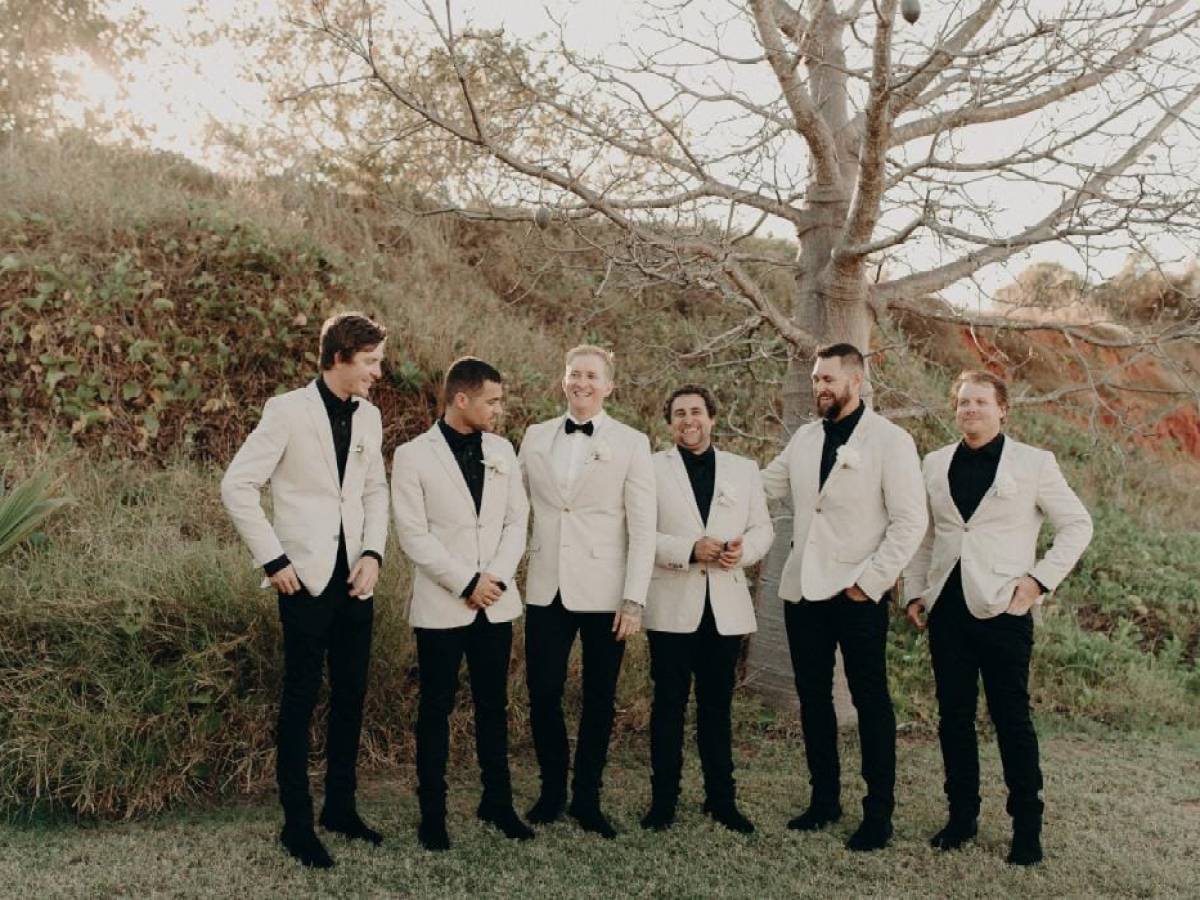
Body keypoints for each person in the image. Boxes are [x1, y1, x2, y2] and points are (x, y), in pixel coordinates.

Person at [903, 370, 1093, 866]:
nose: (971, 410)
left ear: (1002, 408)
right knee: (954, 719)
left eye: (980, 402)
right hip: (946, 609)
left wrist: (1037, 581)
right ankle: (961, 818)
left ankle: (1026, 830)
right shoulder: (934, 463)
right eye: (963, 402)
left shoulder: (1033, 463)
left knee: (1012, 720)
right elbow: (926, 536)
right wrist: (915, 592)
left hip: (1005, 608)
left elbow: (1077, 524)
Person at [221, 312, 389, 869]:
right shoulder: (287, 410)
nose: (378, 372)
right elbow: (238, 485)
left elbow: (374, 492)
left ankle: (340, 809)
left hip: (355, 583)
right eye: (370, 362)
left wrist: (373, 553)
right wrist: (273, 559)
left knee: (350, 696)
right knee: (299, 701)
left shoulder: (371, 416)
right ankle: (297, 825)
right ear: (339, 357)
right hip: (304, 582)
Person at [761, 342, 926, 851]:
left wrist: (869, 583)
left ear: (856, 381)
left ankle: (879, 814)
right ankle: (824, 800)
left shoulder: (891, 441)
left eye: (828, 379)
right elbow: (763, 487)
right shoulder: (806, 438)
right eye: (815, 379)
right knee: (813, 700)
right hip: (803, 592)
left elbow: (910, 521)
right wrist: (706, 479)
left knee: (870, 701)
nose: (820, 388)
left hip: (858, 595)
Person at [390, 357, 534, 852]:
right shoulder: (412, 456)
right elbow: (412, 535)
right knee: (436, 709)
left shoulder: (503, 450)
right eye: (492, 400)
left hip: (495, 602)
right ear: (461, 399)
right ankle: (433, 814)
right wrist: (465, 581)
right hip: (442, 604)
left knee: (494, 706)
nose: (499, 408)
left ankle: (498, 803)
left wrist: (493, 577)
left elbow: (518, 520)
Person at [518, 344, 655, 838]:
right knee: (543, 691)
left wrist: (634, 598)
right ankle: (552, 791)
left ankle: (587, 799)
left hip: (606, 592)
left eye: (591, 376)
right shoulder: (534, 437)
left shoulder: (633, 442)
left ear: (608, 385)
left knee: (599, 697)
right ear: (564, 380)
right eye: (574, 374)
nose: (581, 382)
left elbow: (643, 528)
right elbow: (515, 510)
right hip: (546, 587)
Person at [640, 385, 773, 834]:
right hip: (671, 605)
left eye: (696, 411)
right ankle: (663, 802)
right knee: (668, 707)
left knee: (717, 709)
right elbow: (639, 535)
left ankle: (722, 801)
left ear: (712, 418)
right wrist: (689, 549)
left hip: (725, 608)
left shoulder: (743, 469)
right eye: (679, 413)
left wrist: (745, 552)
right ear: (670, 422)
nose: (688, 420)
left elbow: (763, 529)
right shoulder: (651, 468)